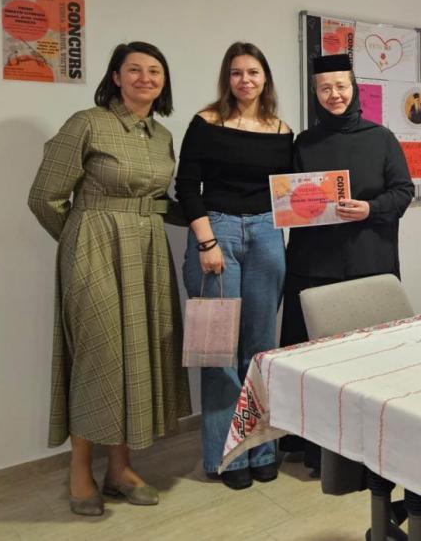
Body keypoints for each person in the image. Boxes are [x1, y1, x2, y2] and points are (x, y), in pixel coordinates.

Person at [28, 41, 190, 516]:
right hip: (95, 249)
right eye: (134, 69)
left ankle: (119, 469)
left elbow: (161, 200)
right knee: (97, 356)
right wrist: (80, 242)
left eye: (154, 71)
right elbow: (44, 196)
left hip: (148, 251)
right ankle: (79, 470)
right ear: (115, 77)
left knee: (136, 354)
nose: (145, 78)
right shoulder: (87, 123)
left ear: (163, 81)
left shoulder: (161, 135)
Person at [280, 53, 414, 471]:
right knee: (316, 361)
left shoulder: (382, 138)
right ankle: (316, 448)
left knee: (369, 358)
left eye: (341, 86)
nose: (334, 95)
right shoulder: (304, 143)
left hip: (368, 262)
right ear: (315, 93)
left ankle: (374, 442)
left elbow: (403, 192)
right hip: (313, 263)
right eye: (325, 88)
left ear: (353, 88)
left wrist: (370, 208)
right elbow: (288, 198)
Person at [174, 42, 293, 490]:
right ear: (228, 78)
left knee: (260, 349)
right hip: (216, 231)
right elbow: (187, 186)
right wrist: (206, 242)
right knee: (218, 350)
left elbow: (289, 190)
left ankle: (261, 450)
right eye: (237, 72)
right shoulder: (206, 122)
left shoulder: (281, 130)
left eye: (253, 72)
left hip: (266, 233)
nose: (246, 80)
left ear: (265, 78)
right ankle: (225, 455)